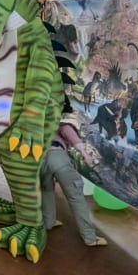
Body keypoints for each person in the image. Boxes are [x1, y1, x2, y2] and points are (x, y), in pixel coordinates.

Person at [41, 100, 107, 246]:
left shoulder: (37, 123)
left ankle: (49, 221)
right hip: (57, 156)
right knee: (75, 197)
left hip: (41, 160)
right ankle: (90, 238)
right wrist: (86, 155)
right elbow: (71, 136)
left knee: (47, 191)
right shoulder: (62, 124)